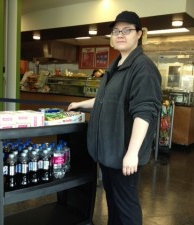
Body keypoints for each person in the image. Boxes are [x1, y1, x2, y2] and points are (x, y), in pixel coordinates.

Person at [68, 11, 162, 225]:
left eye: (126, 30)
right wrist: (82, 104)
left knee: (126, 206)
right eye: (116, 31)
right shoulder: (117, 65)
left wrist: (132, 153)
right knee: (114, 201)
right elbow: (105, 99)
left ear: (139, 34)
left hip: (124, 155)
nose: (120, 34)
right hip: (110, 152)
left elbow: (144, 112)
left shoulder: (143, 68)